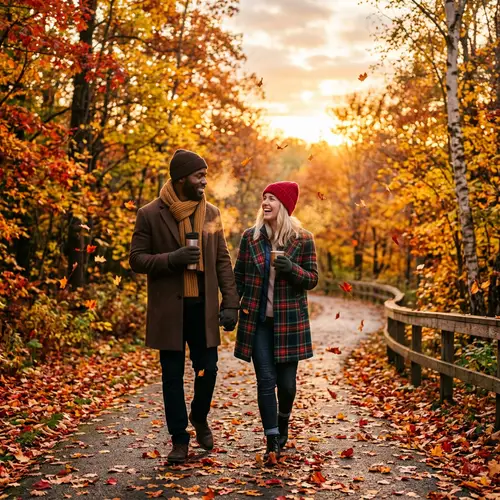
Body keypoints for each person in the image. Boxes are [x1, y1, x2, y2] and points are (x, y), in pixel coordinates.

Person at [129, 149, 239, 464]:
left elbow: (222, 259)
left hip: (203, 308)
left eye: (205, 175)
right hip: (169, 311)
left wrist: (230, 302)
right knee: (172, 376)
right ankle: (179, 440)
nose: (204, 181)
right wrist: (172, 260)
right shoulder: (149, 213)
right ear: (181, 180)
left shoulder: (212, 213)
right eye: (198, 176)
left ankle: (199, 415)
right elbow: (136, 259)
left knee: (209, 369)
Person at [233, 181, 318, 461]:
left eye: (272, 198)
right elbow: (239, 277)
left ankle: (283, 423)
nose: (266, 203)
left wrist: (292, 269)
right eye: (264, 198)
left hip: (289, 324)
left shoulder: (303, 239)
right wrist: (230, 308)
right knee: (266, 380)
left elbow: (313, 279)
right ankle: (271, 438)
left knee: (288, 385)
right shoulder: (251, 237)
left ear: (284, 205)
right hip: (258, 323)